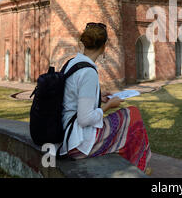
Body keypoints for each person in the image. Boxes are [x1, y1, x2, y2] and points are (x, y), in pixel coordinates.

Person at [58, 22, 151, 174]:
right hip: (78, 144)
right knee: (132, 114)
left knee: (128, 117)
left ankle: (132, 163)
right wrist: (109, 106)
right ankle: (137, 168)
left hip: (66, 134)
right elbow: (84, 119)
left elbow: (72, 96)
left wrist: (99, 97)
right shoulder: (88, 72)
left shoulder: (72, 62)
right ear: (103, 47)